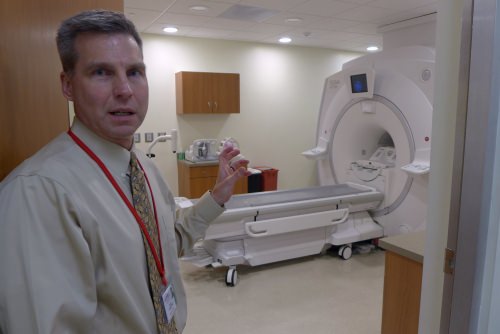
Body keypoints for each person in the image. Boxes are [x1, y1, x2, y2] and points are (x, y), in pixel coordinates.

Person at [0, 9, 250, 334]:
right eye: (101, 72)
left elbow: (167, 245)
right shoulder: (38, 193)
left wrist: (216, 197)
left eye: (134, 72)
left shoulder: (143, 167)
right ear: (68, 85)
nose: (125, 90)